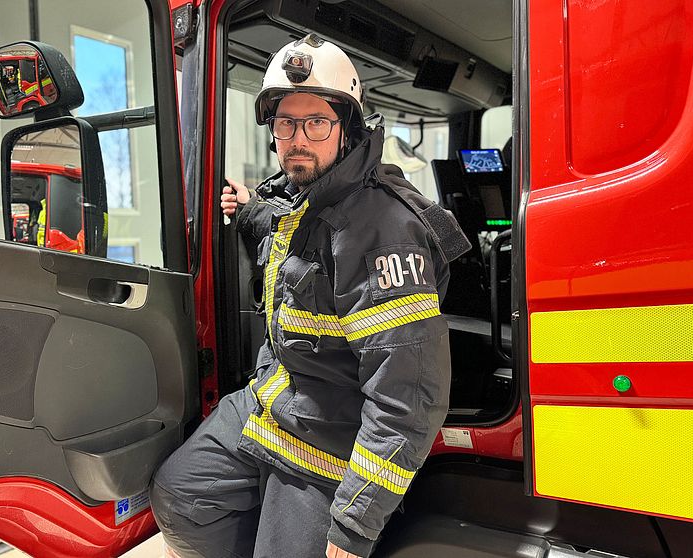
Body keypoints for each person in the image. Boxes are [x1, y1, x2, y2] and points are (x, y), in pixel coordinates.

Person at [150, 34, 463, 558]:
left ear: (348, 129)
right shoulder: (306, 198)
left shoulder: (382, 230)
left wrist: (354, 523)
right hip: (273, 403)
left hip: (333, 437)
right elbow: (292, 235)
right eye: (285, 124)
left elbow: (406, 399)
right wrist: (248, 210)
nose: (298, 139)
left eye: (317, 122)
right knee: (180, 497)